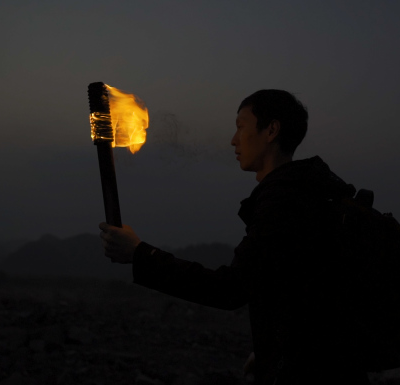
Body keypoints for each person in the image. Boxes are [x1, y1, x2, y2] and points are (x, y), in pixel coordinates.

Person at [99, 89, 370, 384]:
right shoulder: (310, 195)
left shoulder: (285, 203)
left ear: (271, 130)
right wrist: (273, 352)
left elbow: (229, 289)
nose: (233, 139)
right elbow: (303, 293)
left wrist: (139, 254)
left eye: (241, 127)